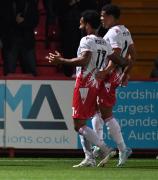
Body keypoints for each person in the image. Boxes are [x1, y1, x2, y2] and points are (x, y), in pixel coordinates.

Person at [46, 10, 129, 167]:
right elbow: (120, 61)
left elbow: (85, 60)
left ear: (88, 24)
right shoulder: (104, 42)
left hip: (84, 84)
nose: (80, 25)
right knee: (83, 121)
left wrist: (61, 60)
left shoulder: (86, 40)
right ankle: (89, 158)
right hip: (96, 85)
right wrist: (126, 71)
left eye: (82, 22)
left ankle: (105, 149)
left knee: (78, 124)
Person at [91, 4, 136, 167]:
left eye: (103, 15)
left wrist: (106, 71)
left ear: (111, 16)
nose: (101, 18)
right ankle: (99, 144)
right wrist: (126, 73)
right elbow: (133, 54)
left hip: (109, 76)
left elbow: (115, 54)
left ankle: (123, 149)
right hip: (114, 75)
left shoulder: (113, 32)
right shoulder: (125, 30)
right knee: (96, 108)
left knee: (106, 113)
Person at [0, 0, 39, 76]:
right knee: (9, 72)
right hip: (10, 40)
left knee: (32, 72)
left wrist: (23, 22)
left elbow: (35, 20)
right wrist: (15, 21)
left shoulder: (31, 2)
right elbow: (2, 20)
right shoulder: (5, 2)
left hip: (27, 41)